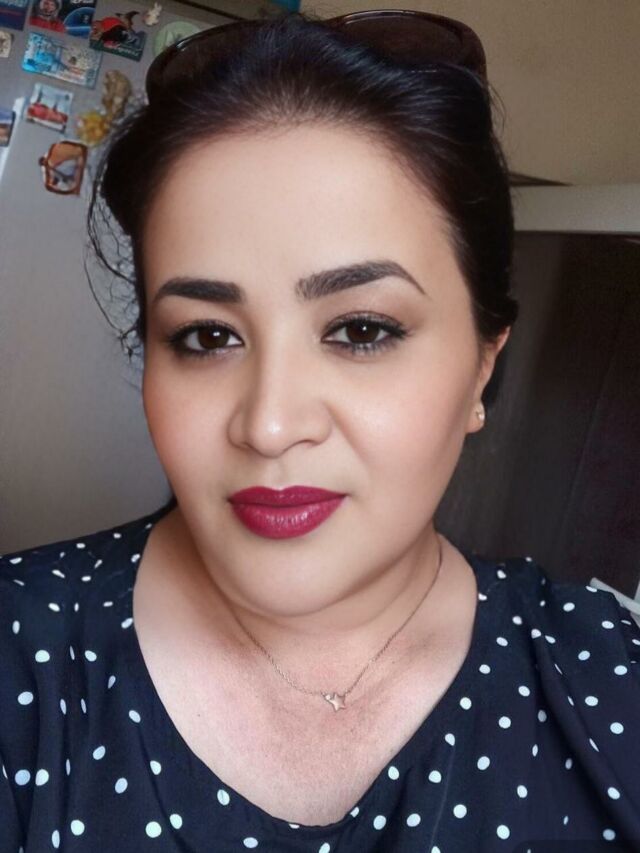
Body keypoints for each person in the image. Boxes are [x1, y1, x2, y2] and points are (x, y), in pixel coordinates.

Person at [1, 9, 639, 851]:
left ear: (483, 366)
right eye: (207, 336)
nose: (270, 426)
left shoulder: (607, 682)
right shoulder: (20, 654)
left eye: (361, 330)